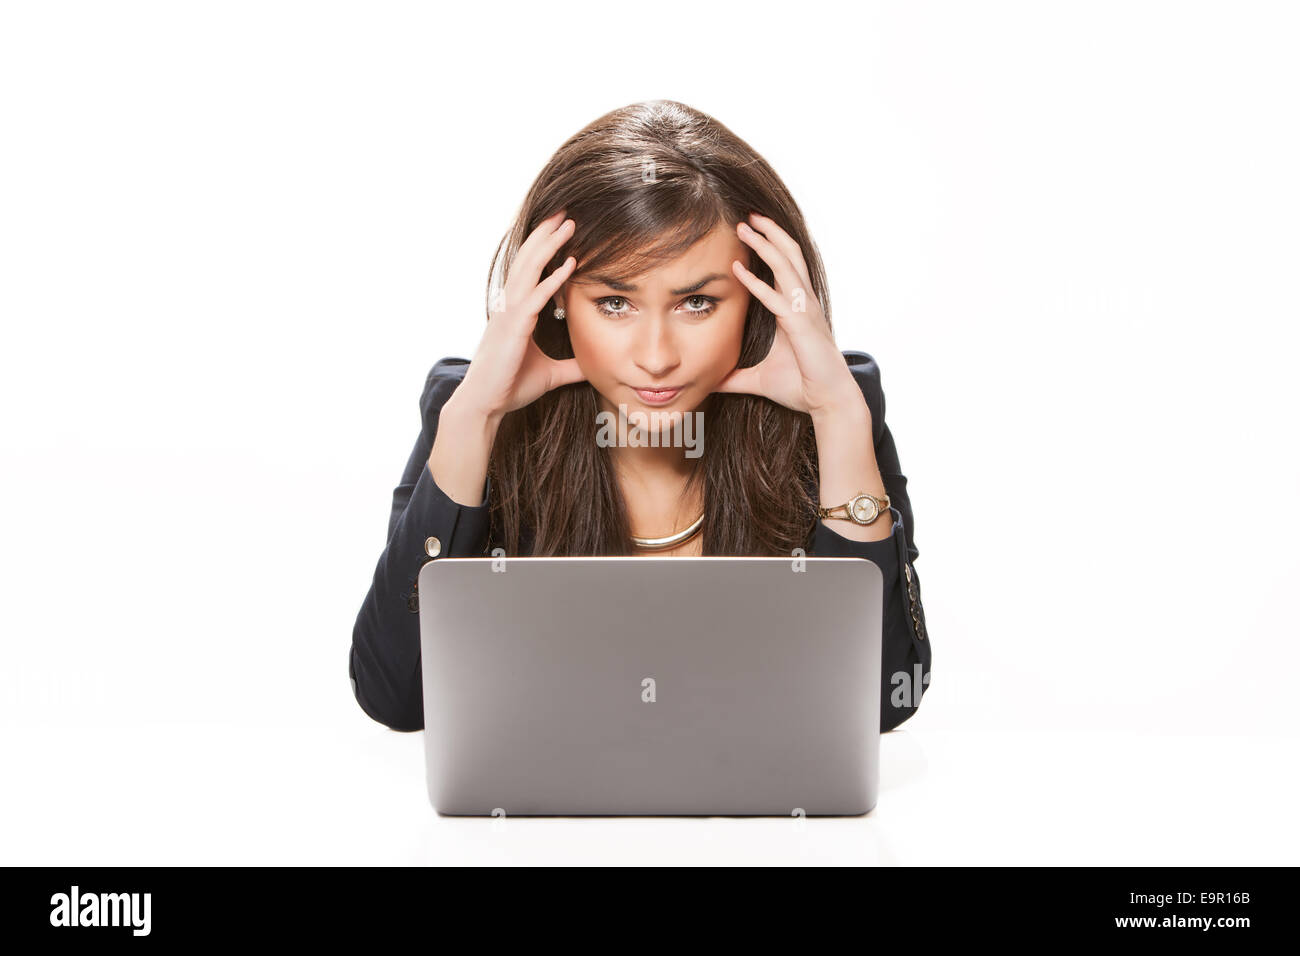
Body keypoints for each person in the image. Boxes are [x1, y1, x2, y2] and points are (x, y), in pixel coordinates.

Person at [349, 100, 931, 734]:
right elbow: (395, 697)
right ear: (556, 300)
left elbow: (884, 706)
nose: (656, 358)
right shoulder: (466, 414)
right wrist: (476, 421)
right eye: (615, 302)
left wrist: (840, 421)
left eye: (699, 302)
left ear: (758, 304)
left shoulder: (839, 414)